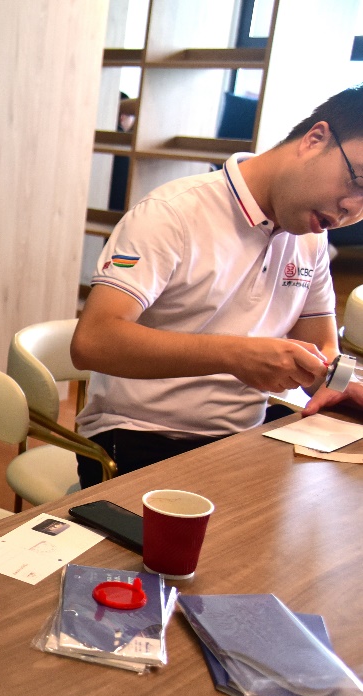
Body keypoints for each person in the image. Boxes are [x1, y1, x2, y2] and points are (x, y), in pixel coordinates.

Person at [72, 85, 363, 487]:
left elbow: (321, 349)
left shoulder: (310, 237)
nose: (352, 209)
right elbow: (93, 342)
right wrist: (236, 355)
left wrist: (339, 382)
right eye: (358, 182)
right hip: (140, 434)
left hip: (241, 436)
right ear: (315, 139)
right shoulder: (173, 213)